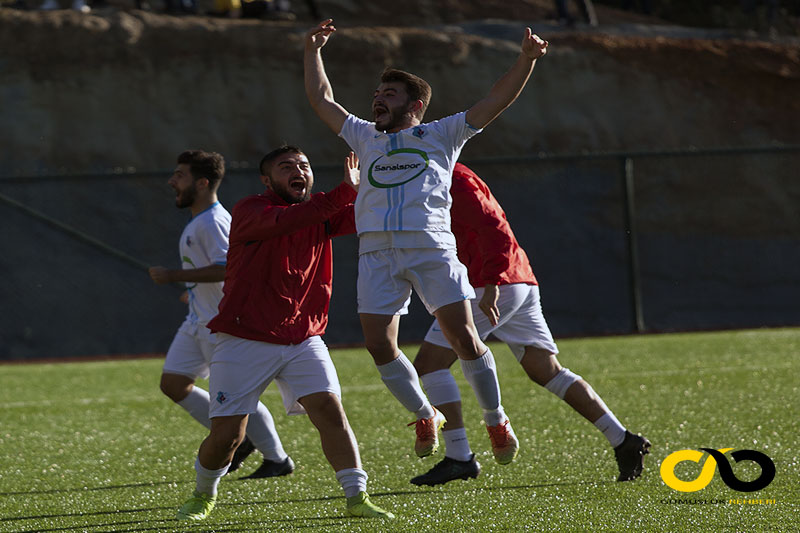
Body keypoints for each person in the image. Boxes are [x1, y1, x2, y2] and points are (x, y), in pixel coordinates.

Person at [304, 19, 547, 465]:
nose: (378, 99)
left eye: (389, 94)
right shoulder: (364, 135)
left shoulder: (441, 134)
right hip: (376, 252)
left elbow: (495, 100)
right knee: (379, 346)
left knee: (465, 340)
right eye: (377, 94)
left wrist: (526, 59)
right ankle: (424, 414)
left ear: (414, 105)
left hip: (431, 247)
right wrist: (312, 50)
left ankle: (495, 419)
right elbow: (322, 99)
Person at [174, 146, 394, 521]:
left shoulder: (321, 213)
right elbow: (291, 221)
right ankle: (203, 494)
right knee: (229, 434)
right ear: (266, 180)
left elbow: (368, 214)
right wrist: (346, 190)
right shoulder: (249, 210)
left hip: (303, 337)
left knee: (329, 409)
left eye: (305, 165)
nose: (298, 170)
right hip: (243, 338)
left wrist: (388, 180)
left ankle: (357, 496)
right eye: (286, 166)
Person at [409, 163, 651, 486]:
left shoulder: (449, 175)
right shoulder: (423, 171)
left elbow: (493, 225)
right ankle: (623, 440)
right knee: (546, 370)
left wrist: (493, 281)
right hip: (515, 279)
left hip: (493, 284)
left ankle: (460, 455)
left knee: (430, 364)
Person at [149, 150, 293, 481]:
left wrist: (173, 276)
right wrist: (193, 288)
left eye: (180, 175)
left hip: (221, 326)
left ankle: (276, 458)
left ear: (202, 183)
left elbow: (227, 267)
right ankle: (240, 441)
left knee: (236, 396)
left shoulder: (214, 221)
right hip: (197, 319)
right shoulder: (200, 220)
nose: (172, 181)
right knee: (173, 383)